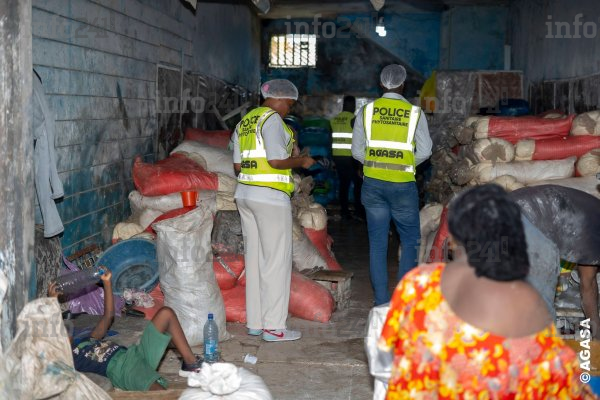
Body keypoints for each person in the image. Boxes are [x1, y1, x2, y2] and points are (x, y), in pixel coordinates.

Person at [379, 184, 595, 398]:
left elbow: (386, 352)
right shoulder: (527, 306)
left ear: (452, 240)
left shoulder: (417, 284)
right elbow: (587, 285)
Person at [232, 79, 315, 342]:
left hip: (245, 194)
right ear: (278, 98)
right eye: (289, 104)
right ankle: (274, 328)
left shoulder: (245, 122)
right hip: (269, 197)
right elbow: (276, 161)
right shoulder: (272, 120)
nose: (289, 109)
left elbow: (237, 166)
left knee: (255, 260)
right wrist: (301, 160)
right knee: (276, 262)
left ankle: (256, 323)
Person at [352, 64, 432, 305]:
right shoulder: (414, 113)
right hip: (402, 186)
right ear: (403, 84)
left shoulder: (366, 111)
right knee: (410, 241)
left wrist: (374, 164)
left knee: (378, 244)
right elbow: (425, 151)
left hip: (373, 185)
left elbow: (356, 151)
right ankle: (402, 302)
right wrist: (405, 164)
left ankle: (381, 302)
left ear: (381, 84)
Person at [49, 271, 202, 391]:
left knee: (166, 313)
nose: (65, 332)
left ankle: (191, 364)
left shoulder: (88, 340)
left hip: (135, 353)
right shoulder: (72, 359)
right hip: (123, 370)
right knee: (162, 394)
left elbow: (108, 316)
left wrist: (107, 283)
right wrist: (52, 302)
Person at [330, 95, 364, 219]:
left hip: (337, 157)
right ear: (353, 106)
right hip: (351, 158)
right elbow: (359, 141)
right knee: (358, 184)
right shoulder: (354, 119)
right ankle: (358, 211)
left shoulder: (334, 120)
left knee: (343, 184)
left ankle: (344, 211)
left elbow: (330, 139)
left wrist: (332, 157)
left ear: (343, 105)